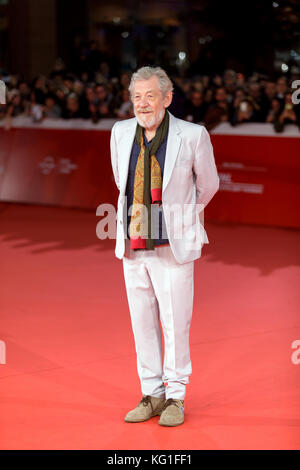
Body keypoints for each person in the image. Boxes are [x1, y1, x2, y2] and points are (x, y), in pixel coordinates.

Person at [110, 66, 219, 427]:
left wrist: (181, 218)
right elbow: (121, 182)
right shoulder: (120, 132)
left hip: (173, 243)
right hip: (133, 240)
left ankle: (176, 396)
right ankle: (151, 393)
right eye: (137, 96)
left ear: (167, 98)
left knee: (175, 322)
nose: (142, 103)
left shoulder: (192, 135)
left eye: (150, 96)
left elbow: (209, 184)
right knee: (142, 321)